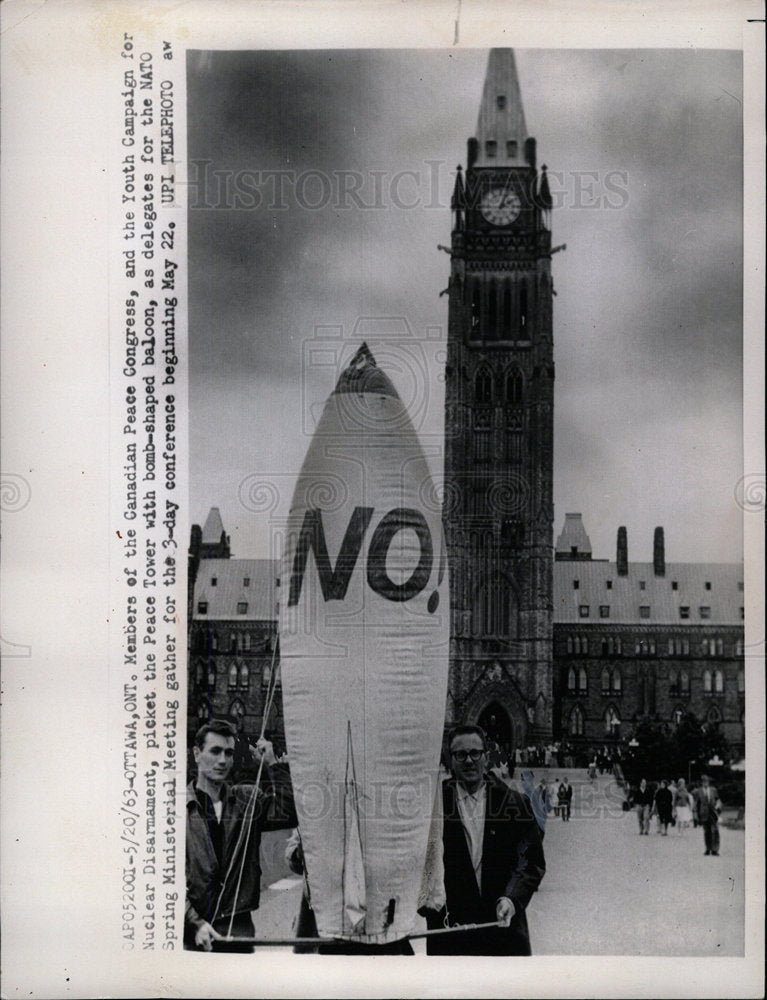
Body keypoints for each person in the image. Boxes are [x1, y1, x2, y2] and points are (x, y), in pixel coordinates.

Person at [423, 725, 545, 955]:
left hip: (503, 932)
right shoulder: (433, 804)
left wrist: (511, 899)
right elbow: (421, 863)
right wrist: (426, 903)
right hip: (451, 935)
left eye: (475, 753)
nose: (469, 761)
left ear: (487, 757)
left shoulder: (515, 803)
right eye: (460, 755)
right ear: (450, 760)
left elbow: (531, 863)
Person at [185, 719, 297, 951]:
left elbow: (288, 812)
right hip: (192, 932)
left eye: (228, 753)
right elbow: (163, 881)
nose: (223, 760)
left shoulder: (247, 800)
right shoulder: (177, 808)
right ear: (197, 754)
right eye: (215, 751)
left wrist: (273, 764)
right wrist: (194, 923)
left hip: (238, 928)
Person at [693, 773, 722, 856]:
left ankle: (715, 849)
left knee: (715, 831)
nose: (705, 783)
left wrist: (718, 808)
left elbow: (718, 800)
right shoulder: (698, 791)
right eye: (703, 781)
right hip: (704, 813)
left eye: (706, 781)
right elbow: (696, 803)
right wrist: (696, 814)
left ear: (709, 782)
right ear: (701, 783)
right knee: (707, 831)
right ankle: (708, 848)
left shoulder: (713, 790)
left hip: (713, 813)